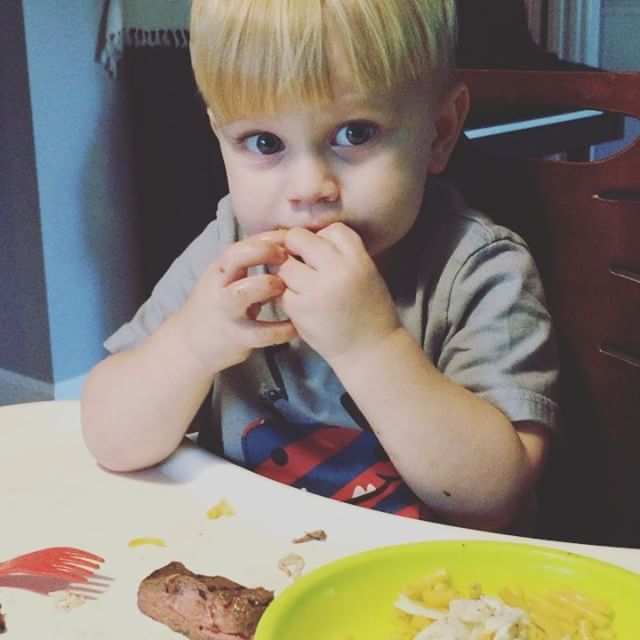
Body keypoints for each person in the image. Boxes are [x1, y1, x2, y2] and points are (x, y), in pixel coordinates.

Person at [81, 0, 559, 533]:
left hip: (423, 591)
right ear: (220, 137)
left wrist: (371, 345)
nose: (309, 189)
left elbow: (492, 499)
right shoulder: (228, 249)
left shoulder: (478, 268)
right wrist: (191, 345)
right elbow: (111, 441)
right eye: (264, 142)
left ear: (440, 131)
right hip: (248, 565)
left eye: (355, 133)